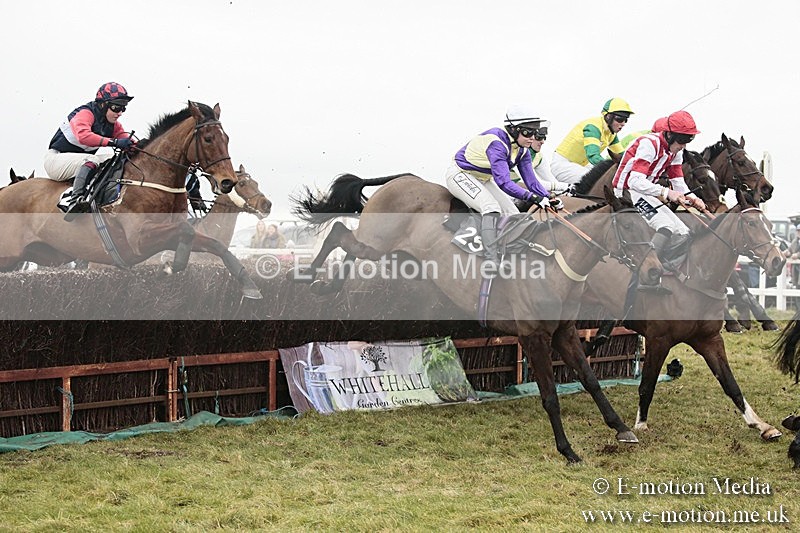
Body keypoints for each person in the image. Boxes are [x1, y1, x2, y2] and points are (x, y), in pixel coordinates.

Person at [445, 105, 557, 267]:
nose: (533, 137)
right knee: (490, 207)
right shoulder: (497, 143)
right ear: (514, 130)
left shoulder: (522, 150)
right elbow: (504, 182)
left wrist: (548, 198)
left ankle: (509, 252)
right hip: (460, 174)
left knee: (513, 213)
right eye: (528, 132)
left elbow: (532, 183)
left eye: (535, 132)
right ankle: (491, 258)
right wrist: (533, 198)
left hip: (482, 178)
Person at [611, 110, 706, 292]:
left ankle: (662, 272)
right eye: (682, 140)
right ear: (670, 135)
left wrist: (693, 198)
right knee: (666, 226)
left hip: (645, 191)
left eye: (689, 140)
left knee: (683, 232)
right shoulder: (649, 144)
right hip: (626, 191)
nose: (684, 146)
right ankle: (643, 277)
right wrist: (666, 193)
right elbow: (635, 181)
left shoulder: (675, 151)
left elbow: (678, 182)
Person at [45, 82, 135, 219]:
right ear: (103, 104)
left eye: (123, 108)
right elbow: (83, 136)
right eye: (116, 107)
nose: (120, 113)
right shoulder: (85, 113)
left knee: (110, 160)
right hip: (55, 160)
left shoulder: (112, 125)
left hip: (77, 162)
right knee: (92, 159)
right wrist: (114, 142)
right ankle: (73, 201)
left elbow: (128, 141)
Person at [551, 97, 634, 184]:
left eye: (626, 120)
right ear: (608, 116)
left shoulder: (611, 134)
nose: (623, 123)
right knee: (598, 181)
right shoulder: (593, 128)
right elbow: (593, 156)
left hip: (580, 165)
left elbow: (622, 156)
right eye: (620, 119)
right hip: (563, 165)